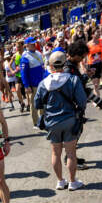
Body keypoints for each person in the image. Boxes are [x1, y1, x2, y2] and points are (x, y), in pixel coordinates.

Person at [36, 50, 87, 191]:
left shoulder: (43, 84)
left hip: (51, 122)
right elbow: (82, 101)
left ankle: (60, 181)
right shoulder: (72, 80)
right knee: (71, 153)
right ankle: (72, 181)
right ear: (65, 64)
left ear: (50, 65)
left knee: (55, 153)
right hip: (70, 119)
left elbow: (36, 104)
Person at [20, 37, 47, 128]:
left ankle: (43, 120)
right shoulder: (25, 57)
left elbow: (43, 67)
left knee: (43, 102)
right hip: (33, 85)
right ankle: (36, 123)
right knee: (34, 104)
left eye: (34, 43)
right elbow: (23, 73)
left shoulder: (38, 53)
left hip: (42, 82)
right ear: (27, 45)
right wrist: (26, 86)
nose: (34, 45)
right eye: (32, 44)